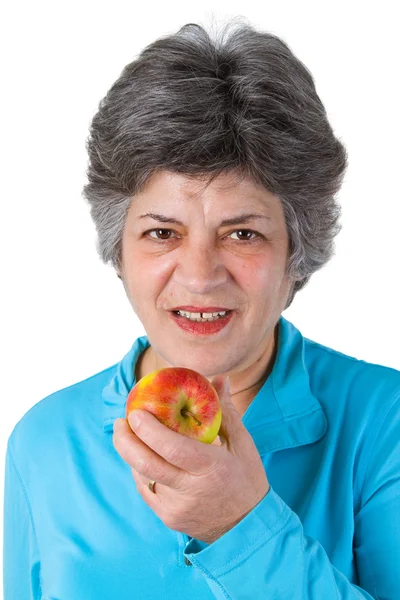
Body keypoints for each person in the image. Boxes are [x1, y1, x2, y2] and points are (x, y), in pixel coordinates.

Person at [3, 19, 400, 600]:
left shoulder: (383, 424)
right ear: (119, 249)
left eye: (242, 235)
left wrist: (240, 525)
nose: (198, 275)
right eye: (162, 232)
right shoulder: (43, 443)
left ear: (298, 251)